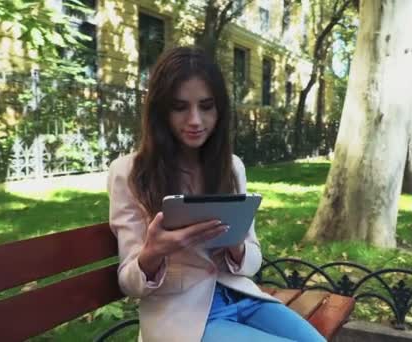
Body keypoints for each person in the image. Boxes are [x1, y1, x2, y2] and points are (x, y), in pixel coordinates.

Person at [107, 47, 325, 342]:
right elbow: (129, 282)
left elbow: (253, 259)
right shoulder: (129, 172)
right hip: (181, 316)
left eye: (206, 106)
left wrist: (236, 246)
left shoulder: (231, 167)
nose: (195, 120)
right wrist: (153, 253)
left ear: (219, 109)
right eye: (180, 107)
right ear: (161, 110)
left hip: (242, 297)